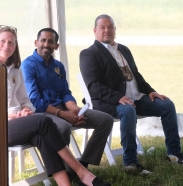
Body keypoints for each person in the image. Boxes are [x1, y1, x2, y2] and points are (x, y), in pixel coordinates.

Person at [0, 26, 111, 186]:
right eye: (3, 41)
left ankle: (67, 183)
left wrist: (26, 109)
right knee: (45, 123)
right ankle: (81, 172)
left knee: (41, 136)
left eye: (11, 42)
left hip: (21, 122)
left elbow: (25, 99)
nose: (7, 46)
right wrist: (17, 114)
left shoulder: (15, 70)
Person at [79, 14, 183, 172]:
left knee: (167, 105)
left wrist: (151, 91)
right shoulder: (89, 53)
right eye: (102, 27)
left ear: (115, 29)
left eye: (110, 27)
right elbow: (93, 86)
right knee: (128, 110)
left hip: (135, 98)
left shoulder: (123, 49)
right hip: (108, 102)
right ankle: (130, 163)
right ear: (94, 30)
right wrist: (119, 97)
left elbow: (135, 75)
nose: (107, 30)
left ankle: (174, 153)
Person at [21, 28, 114, 171]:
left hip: (63, 109)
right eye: (43, 40)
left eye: (51, 41)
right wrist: (63, 115)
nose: (46, 44)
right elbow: (35, 101)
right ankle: (63, 171)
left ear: (56, 46)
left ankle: (82, 165)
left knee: (105, 120)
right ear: (36, 42)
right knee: (63, 127)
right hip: (42, 113)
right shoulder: (28, 65)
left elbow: (65, 93)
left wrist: (74, 109)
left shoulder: (58, 66)